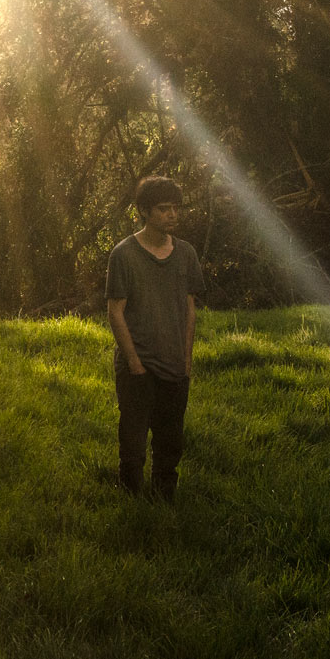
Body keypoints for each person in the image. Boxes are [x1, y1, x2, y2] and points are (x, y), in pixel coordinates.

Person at [105, 175, 205, 501]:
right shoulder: (124, 255)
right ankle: (130, 500)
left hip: (175, 365)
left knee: (170, 440)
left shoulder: (186, 254)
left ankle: (165, 501)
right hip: (138, 364)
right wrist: (134, 362)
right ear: (145, 211)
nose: (172, 215)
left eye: (176, 208)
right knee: (133, 441)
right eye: (164, 209)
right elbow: (115, 312)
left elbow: (190, 309)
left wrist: (187, 360)